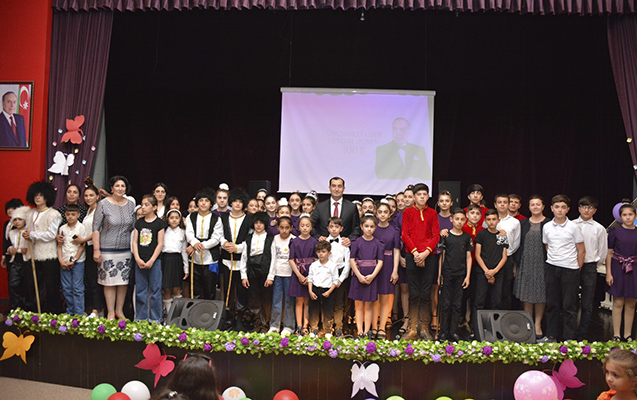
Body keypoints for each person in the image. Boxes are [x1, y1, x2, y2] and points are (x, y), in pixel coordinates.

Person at [539, 194, 585, 343]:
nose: (560, 210)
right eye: (557, 207)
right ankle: (551, 335)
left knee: (569, 305)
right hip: (552, 267)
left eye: (563, 207)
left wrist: (576, 269)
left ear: (568, 209)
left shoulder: (574, 227)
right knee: (552, 304)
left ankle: (569, 338)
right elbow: (547, 246)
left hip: (570, 269)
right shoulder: (546, 226)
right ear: (552, 208)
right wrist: (555, 259)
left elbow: (581, 250)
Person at [93, 175, 136, 320]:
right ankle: (110, 313)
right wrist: (96, 250)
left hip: (125, 249)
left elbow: (133, 226)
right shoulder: (103, 204)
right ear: (111, 188)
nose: (120, 188)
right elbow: (95, 228)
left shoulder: (130, 204)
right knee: (109, 282)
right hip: (107, 249)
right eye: (117, 186)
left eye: (123, 186)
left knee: (123, 282)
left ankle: (120, 311)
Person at [401, 183, 439, 341]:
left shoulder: (433, 213)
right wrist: (416, 253)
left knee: (426, 293)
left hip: (429, 256)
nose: (422, 197)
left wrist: (425, 253)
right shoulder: (408, 212)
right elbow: (405, 234)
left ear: (428, 196)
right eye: (419, 194)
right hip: (412, 255)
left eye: (424, 194)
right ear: (414, 197)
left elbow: (436, 235)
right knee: (414, 293)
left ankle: (424, 328)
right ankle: (412, 328)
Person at [23, 180, 62, 313]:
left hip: (48, 254)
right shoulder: (30, 214)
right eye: (36, 195)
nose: (38, 198)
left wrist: (32, 234)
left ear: (47, 197)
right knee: (33, 286)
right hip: (33, 254)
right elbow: (28, 231)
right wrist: (26, 234)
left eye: (41, 195)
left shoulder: (53, 214)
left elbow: (51, 235)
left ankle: (53, 313)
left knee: (51, 286)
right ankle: (35, 312)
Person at [513, 195, 548, 339]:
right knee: (526, 294)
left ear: (543, 206)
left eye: (538, 204)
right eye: (532, 204)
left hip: (542, 264)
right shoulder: (522, 223)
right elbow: (517, 245)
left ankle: (538, 324)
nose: (535, 207)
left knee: (541, 294)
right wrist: (516, 265)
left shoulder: (549, 224)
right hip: (525, 263)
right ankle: (529, 323)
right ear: (528, 207)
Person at [573, 195, 607, 340]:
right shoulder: (572, 224)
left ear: (595, 210)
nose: (587, 210)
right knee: (571, 300)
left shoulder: (599, 228)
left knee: (587, 303)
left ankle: (582, 334)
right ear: (579, 208)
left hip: (590, 267)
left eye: (590, 207)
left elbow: (603, 251)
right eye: (584, 207)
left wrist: (595, 265)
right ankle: (570, 332)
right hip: (572, 265)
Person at [437, 208, 473, 342]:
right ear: (451, 219)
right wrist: (439, 274)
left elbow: (469, 257)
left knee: (457, 305)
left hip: (460, 274)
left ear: (465, 221)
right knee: (445, 304)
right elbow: (442, 256)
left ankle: (453, 331)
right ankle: (443, 332)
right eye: (457, 219)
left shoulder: (466, 237)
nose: (459, 222)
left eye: (462, 219)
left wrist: (467, 276)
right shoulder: (446, 236)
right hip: (447, 273)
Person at [348, 214, 384, 338]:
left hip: (371, 277)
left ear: (375, 228)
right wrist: (358, 275)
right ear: (361, 227)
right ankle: (360, 331)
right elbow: (352, 260)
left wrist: (372, 276)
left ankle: (367, 330)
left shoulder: (378, 243)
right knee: (358, 305)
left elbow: (380, 261)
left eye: (371, 226)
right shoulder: (356, 242)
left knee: (368, 305)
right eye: (366, 226)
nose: (369, 229)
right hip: (358, 276)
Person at [220, 188, 251, 328]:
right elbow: (219, 234)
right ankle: (229, 317)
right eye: (235, 201)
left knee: (242, 291)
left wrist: (237, 248)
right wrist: (225, 244)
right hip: (227, 260)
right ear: (231, 203)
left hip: (242, 262)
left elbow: (250, 240)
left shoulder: (249, 219)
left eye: (240, 202)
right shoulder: (223, 218)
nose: (237, 204)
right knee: (228, 290)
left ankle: (240, 318)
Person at [606, 202, 637, 342]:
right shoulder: (615, 232)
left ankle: (628, 334)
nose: (628, 217)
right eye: (625, 215)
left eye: (630, 214)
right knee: (618, 302)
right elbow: (609, 253)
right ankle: (617, 334)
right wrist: (609, 273)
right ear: (620, 217)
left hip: (634, 269)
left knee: (631, 302)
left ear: (635, 216)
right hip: (618, 268)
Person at [185, 189, 223, 300]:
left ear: (211, 203)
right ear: (197, 202)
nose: (203, 203)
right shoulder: (191, 217)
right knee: (195, 290)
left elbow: (216, 238)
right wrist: (194, 243)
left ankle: (209, 311)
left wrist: (201, 245)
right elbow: (189, 233)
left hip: (210, 260)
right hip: (194, 260)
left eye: (206, 201)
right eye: (201, 200)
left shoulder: (216, 219)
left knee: (210, 290)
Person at [132, 194, 165, 323]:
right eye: (142, 205)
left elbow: (160, 243)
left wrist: (152, 260)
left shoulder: (159, 223)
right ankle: (140, 318)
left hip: (154, 261)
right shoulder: (139, 222)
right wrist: (137, 258)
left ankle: (155, 318)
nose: (143, 207)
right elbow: (135, 241)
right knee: (140, 290)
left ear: (154, 207)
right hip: (140, 260)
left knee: (155, 290)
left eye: (147, 205)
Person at [240, 211, 274, 333]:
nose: (258, 225)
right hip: (251, 271)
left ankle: (265, 324)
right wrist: (244, 275)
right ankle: (255, 324)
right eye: (256, 223)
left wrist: (270, 276)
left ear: (265, 224)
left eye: (261, 223)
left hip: (265, 270)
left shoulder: (271, 238)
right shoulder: (248, 238)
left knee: (266, 299)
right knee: (253, 298)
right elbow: (244, 257)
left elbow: (274, 258)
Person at [372, 202, 400, 340]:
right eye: (380, 212)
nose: (382, 214)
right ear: (376, 213)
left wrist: (395, 270)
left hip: (388, 264)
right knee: (373, 297)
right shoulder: (372, 228)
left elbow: (396, 251)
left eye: (385, 212)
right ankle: (373, 326)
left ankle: (382, 327)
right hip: (373, 263)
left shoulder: (394, 230)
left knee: (384, 297)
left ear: (390, 214)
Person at [474, 209, 508, 314]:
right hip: (482, 272)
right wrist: (487, 272)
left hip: (498, 272)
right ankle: (476, 324)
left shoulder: (502, 236)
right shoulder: (481, 234)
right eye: (488, 219)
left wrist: (494, 271)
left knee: (497, 301)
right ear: (485, 221)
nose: (491, 222)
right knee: (479, 300)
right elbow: (477, 255)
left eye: (494, 219)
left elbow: (504, 257)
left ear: (498, 220)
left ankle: (495, 324)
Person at [289, 214, 318, 335]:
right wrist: (299, 275)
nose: (305, 228)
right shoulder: (294, 242)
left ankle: (306, 325)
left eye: (307, 225)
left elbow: (316, 260)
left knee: (307, 300)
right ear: (298, 227)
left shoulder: (314, 241)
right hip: (298, 273)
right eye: (302, 225)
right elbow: (291, 260)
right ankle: (299, 326)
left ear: (311, 227)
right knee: (299, 301)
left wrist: (309, 276)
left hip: (310, 273)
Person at [266, 217, 296, 335]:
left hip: (290, 275)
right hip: (277, 274)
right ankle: (274, 326)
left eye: (287, 228)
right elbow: (273, 258)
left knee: (289, 302)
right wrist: (271, 275)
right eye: (281, 228)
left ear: (291, 228)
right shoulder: (274, 239)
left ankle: (289, 326)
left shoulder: (294, 240)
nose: (284, 230)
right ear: (278, 227)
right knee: (276, 301)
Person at [311, 177, 360, 245]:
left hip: (344, 245)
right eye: (334, 186)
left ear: (343, 188)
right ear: (329, 188)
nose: (336, 189)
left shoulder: (352, 207)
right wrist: (318, 237)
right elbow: (310, 224)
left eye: (339, 186)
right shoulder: (320, 207)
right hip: (324, 245)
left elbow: (356, 228)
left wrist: (350, 239)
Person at [57, 204, 87, 315]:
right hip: (64, 260)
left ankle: (79, 313)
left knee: (77, 288)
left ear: (78, 215)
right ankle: (70, 312)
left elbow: (82, 246)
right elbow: (59, 246)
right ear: (65, 215)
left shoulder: (81, 227)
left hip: (78, 261)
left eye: (73, 214)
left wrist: (74, 259)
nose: (70, 217)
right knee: (66, 288)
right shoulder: (62, 228)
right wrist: (61, 260)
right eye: (68, 214)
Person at [494, 193, 521, 310]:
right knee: (493, 289)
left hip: (508, 258)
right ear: (495, 205)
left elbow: (516, 242)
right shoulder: (490, 220)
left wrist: (508, 253)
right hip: (492, 258)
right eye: (500, 202)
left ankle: (504, 315)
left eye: (505, 202)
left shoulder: (515, 222)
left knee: (505, 289)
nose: (502, 205)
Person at [325, 217, 351, 338]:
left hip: (340, 275)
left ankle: (339, 327)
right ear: (327, 228)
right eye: (331, 227)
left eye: (337, 227)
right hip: (327, 275)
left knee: (340, 303)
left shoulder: (344, 244)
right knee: (327, 302)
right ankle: (327, 328)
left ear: (341, 229)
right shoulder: (324, 242)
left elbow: (347, 263)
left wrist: (340, 279)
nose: (334, 229)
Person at [307, 240, 339, 338]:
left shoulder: (332, 266)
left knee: (328, 311)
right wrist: (310, 291)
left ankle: (327, 331)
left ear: (329, 253)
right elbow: (310, 278)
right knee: (313, 310)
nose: (321, 254)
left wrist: (329, 292)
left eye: (323, 252)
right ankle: (313, 329)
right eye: (319, 252)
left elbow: (335, 281)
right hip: (315, 289)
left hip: (327, 290)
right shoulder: (314, 265)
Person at [162, 209, 189, 317]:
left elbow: (184, 251)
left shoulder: (183, 232)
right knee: (167, 289)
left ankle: (177, 314)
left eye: (176, 218)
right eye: (171, 218)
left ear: (180, 220)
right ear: (167, 220)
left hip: (177, 261)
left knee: (177, 288)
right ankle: (169, 315)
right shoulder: (163, 231)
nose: (174, 220)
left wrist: (186, 268)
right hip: (165, 260)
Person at [5, 206, 32, 310]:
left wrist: (27, 249)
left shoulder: (29, 232)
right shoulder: (11, 232)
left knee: (27, 284)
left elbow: (33, 245)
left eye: (19, 219)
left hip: (26, 260)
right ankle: (16, 306)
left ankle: (27, 308)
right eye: (15, 220)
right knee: (13, 283)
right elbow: (9, 245)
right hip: (16, 259)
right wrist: (10, 249)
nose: (17, 222)